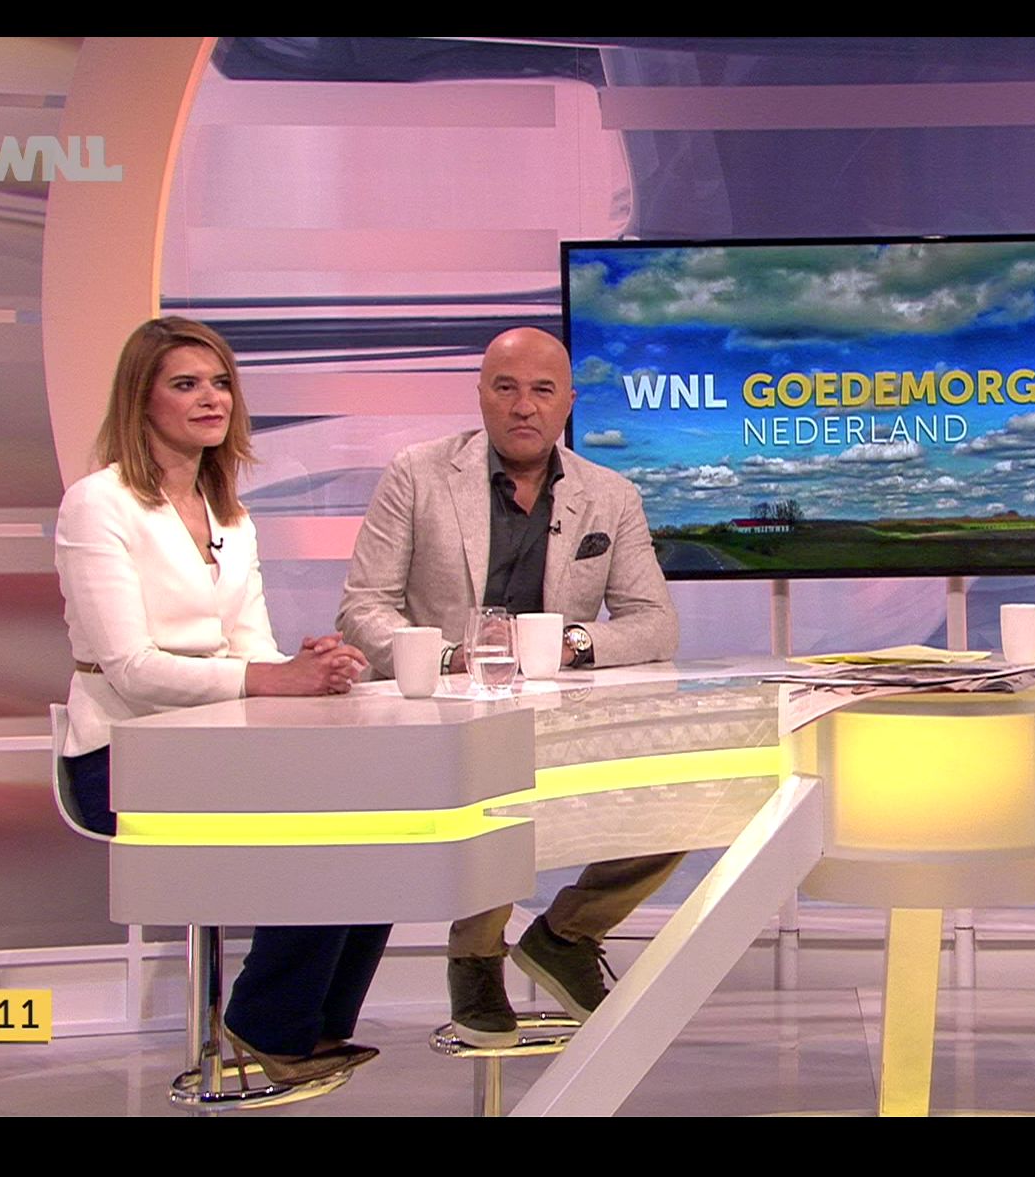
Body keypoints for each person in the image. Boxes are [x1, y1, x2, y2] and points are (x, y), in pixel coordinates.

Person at [56, 316, 388, 1086]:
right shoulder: (99, 504)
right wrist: (270, 679)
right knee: (332, 825)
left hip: (221, 745)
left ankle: (309, 1024)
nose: (212, 399)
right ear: (141, 401)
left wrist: (310, 667)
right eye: (186, 384)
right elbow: (132, 669)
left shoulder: (230, 514)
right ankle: (265, 1023)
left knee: (387, 817)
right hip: (122, 755)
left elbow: (252, 652)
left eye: (220, 384)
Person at [337, 326, 680, 1047]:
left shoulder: (610, 494)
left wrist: (571, 645)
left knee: (690, 790)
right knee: (502, 770)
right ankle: (475, 956)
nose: (524, 406)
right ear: (481, 396)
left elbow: (654, 623)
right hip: (449, 720)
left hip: (562, 712)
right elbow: (363, 608)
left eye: (542, 391)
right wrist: (447, 659)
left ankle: (567, 933)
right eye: (506, 388)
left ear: (568, 403)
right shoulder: (418, 474)